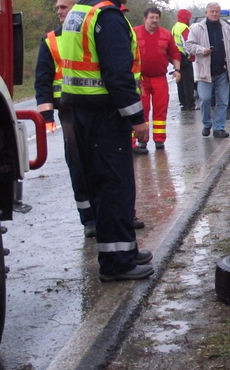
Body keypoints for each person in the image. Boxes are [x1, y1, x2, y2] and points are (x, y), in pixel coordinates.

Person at [61, 0, 153, 281]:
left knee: (105, 186)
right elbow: (117, 74)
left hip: (82, 112)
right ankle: (117, 263)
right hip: (105, 115)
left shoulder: (79, 12)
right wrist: (137, 118)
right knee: (115, 188)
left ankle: (125, 251)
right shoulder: (107, 17)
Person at [34, 0, 101, 237]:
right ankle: (88, 218)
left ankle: (111, 214)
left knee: (104, 162)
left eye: (64, 7)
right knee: (78, 163)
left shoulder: (95, 31)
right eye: (57, 8)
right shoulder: (51, 40)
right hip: (69, 111)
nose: (59, 12)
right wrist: (46, 114)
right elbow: (42, 80)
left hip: (97, 107)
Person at [185, 2, 230, 138]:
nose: (215, 14)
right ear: (206, 13)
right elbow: (189, 46)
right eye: (212, 11)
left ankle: (219, 128)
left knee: (223, 101)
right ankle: (207, 124)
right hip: (205, 71)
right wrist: (202, 50)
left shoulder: (227, 28)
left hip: (222, 70)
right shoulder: (197, 29)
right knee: (204, 99)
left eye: (217, 11)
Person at [132, 7, 182, 154]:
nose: (154, 20)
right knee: (142, 111)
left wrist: (177, 70)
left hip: (160, 78)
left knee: (161, 110)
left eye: (156, 18)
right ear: (144, 19)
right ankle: (142, 140)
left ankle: (159, 140)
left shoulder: (166, 34)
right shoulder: (134, 33)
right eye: (151, 17)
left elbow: (174, 53)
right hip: (141, 79)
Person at [172, 9, 196, 111]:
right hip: (185, 57)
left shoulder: (175, 27)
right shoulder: (184, 28)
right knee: (188, 82)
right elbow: (188, 43)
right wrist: (192, 56)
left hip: (177, 57)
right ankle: (190, 104)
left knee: (180, 82)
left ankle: (183, 103)